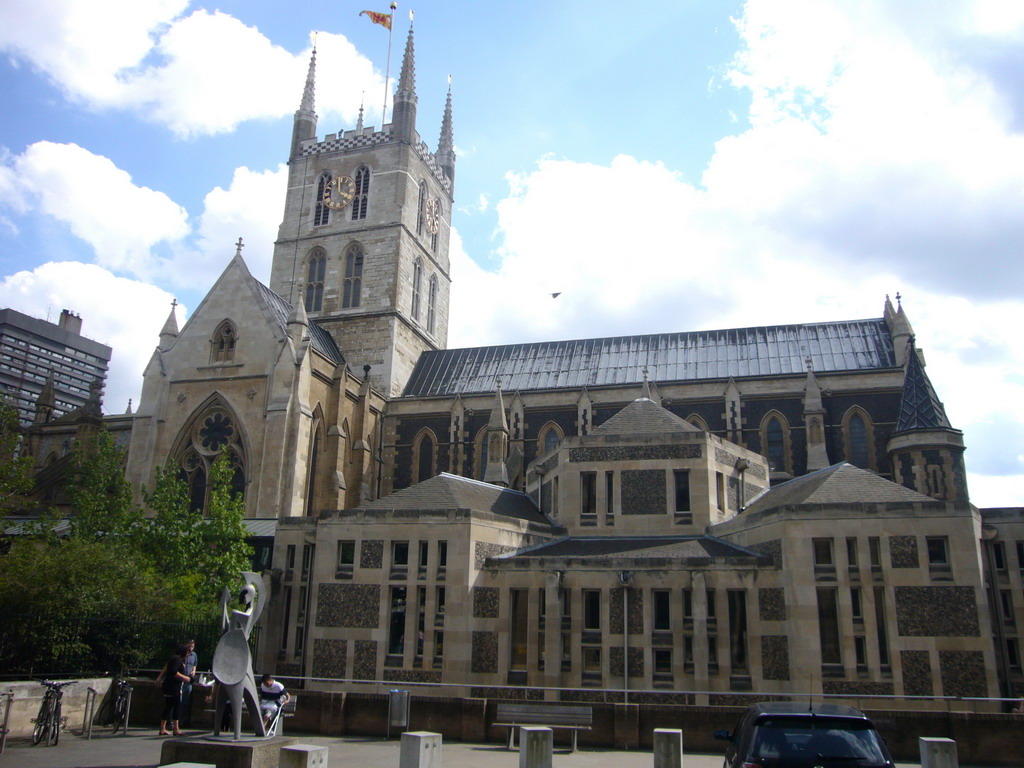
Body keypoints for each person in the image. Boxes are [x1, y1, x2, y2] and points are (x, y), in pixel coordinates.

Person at [156, 644, 191, 736]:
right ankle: (176, 728)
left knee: (168, 706)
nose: (188, 655)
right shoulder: (177, 660)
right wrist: (185, 678)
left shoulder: (174, 658)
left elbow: (168, 668)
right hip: (173, 687)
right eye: (187, 653)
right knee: (176, 706)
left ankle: (162, 728)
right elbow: (173, 671)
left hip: (170, 686)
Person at [179, 639, 197, 727]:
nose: (190, 648)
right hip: (181, 680)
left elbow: (194, 665)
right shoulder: (182, 654)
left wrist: (193, 671)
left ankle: (182, 721)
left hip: (188, 681)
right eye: (189, 646)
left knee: (185, 702)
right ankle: (173, 721)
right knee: (178, 701)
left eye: (192, 646)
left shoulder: (194, 655)